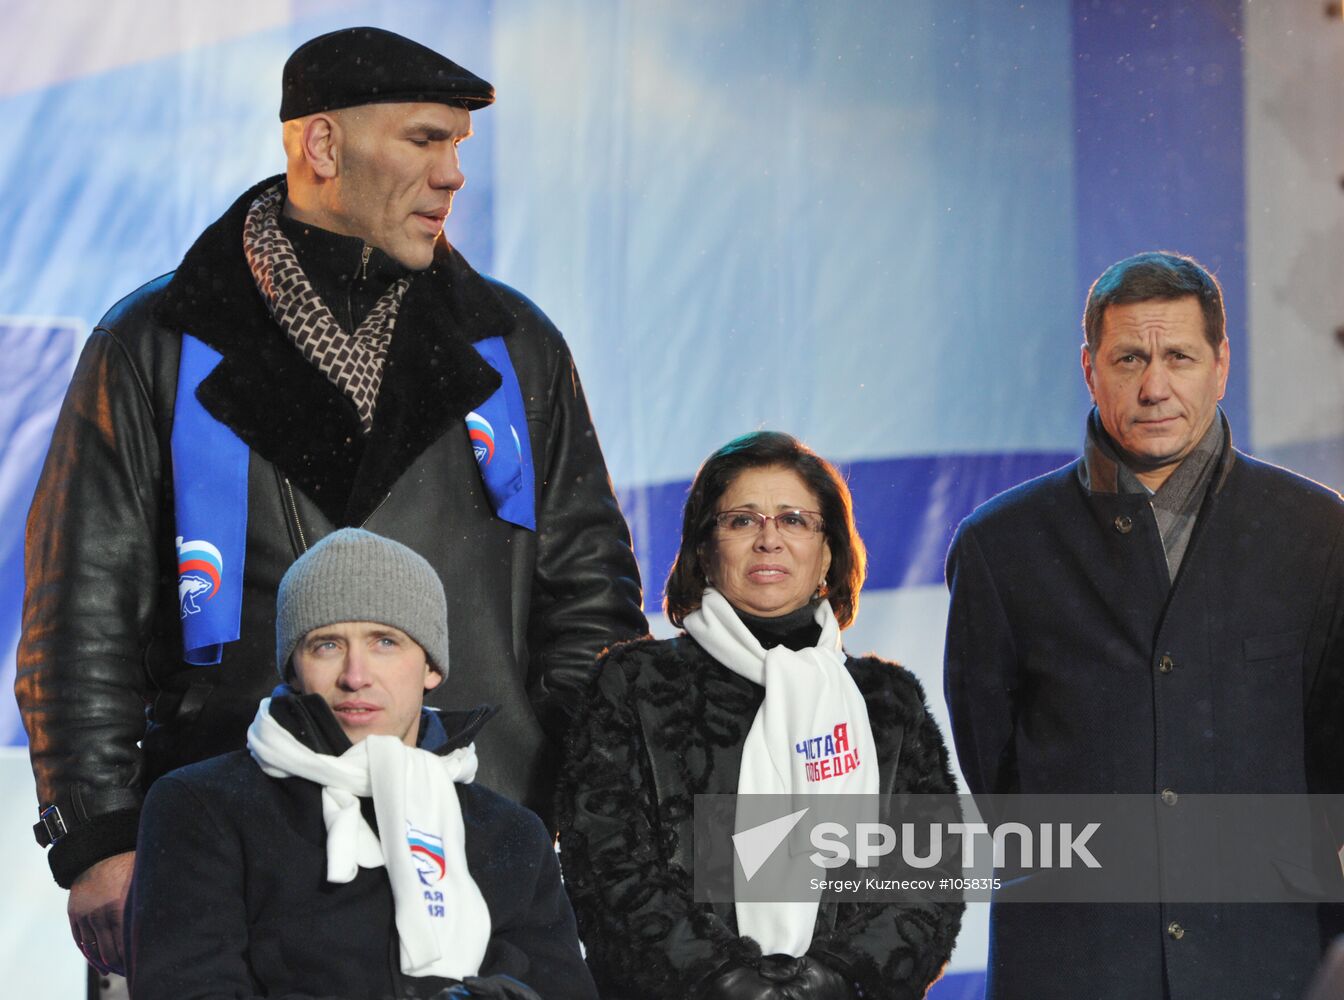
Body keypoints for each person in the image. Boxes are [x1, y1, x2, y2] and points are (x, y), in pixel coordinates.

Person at [16, 25, 645, 979]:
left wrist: (559, 811)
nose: (451, 176)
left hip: (471, 839)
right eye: (424, 141)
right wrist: (98, 838)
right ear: (321, 146)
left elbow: (591, 605)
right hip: (228, 853)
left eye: (458, 149)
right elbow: (81, 613)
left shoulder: (517, 347)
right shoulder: (153, 342)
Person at [943, 251, 1344, 998]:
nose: (1155, 386)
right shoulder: (1001, 545)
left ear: (1221, 366)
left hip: (1269, 960)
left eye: (1179, 357)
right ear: (1090, 368)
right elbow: (996, 772)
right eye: (1129, 358)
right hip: (1075, 961)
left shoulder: (1319, 534)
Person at [557, 431, 963, 999]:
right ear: (703, 549)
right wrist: (725, 981)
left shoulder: (887, 703)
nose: (770, 539)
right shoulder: (633, 685)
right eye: (742, 520)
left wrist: (832, 982)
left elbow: (930, 877)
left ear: (828, 552)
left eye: (795, 520)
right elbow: (606, 869)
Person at [125, 528, 598, 1000]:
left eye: (385, 642)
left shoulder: (511, 832)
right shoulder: (201, 808)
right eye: (327, 645)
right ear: (293, 667)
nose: (355, 676)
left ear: (432, 666)